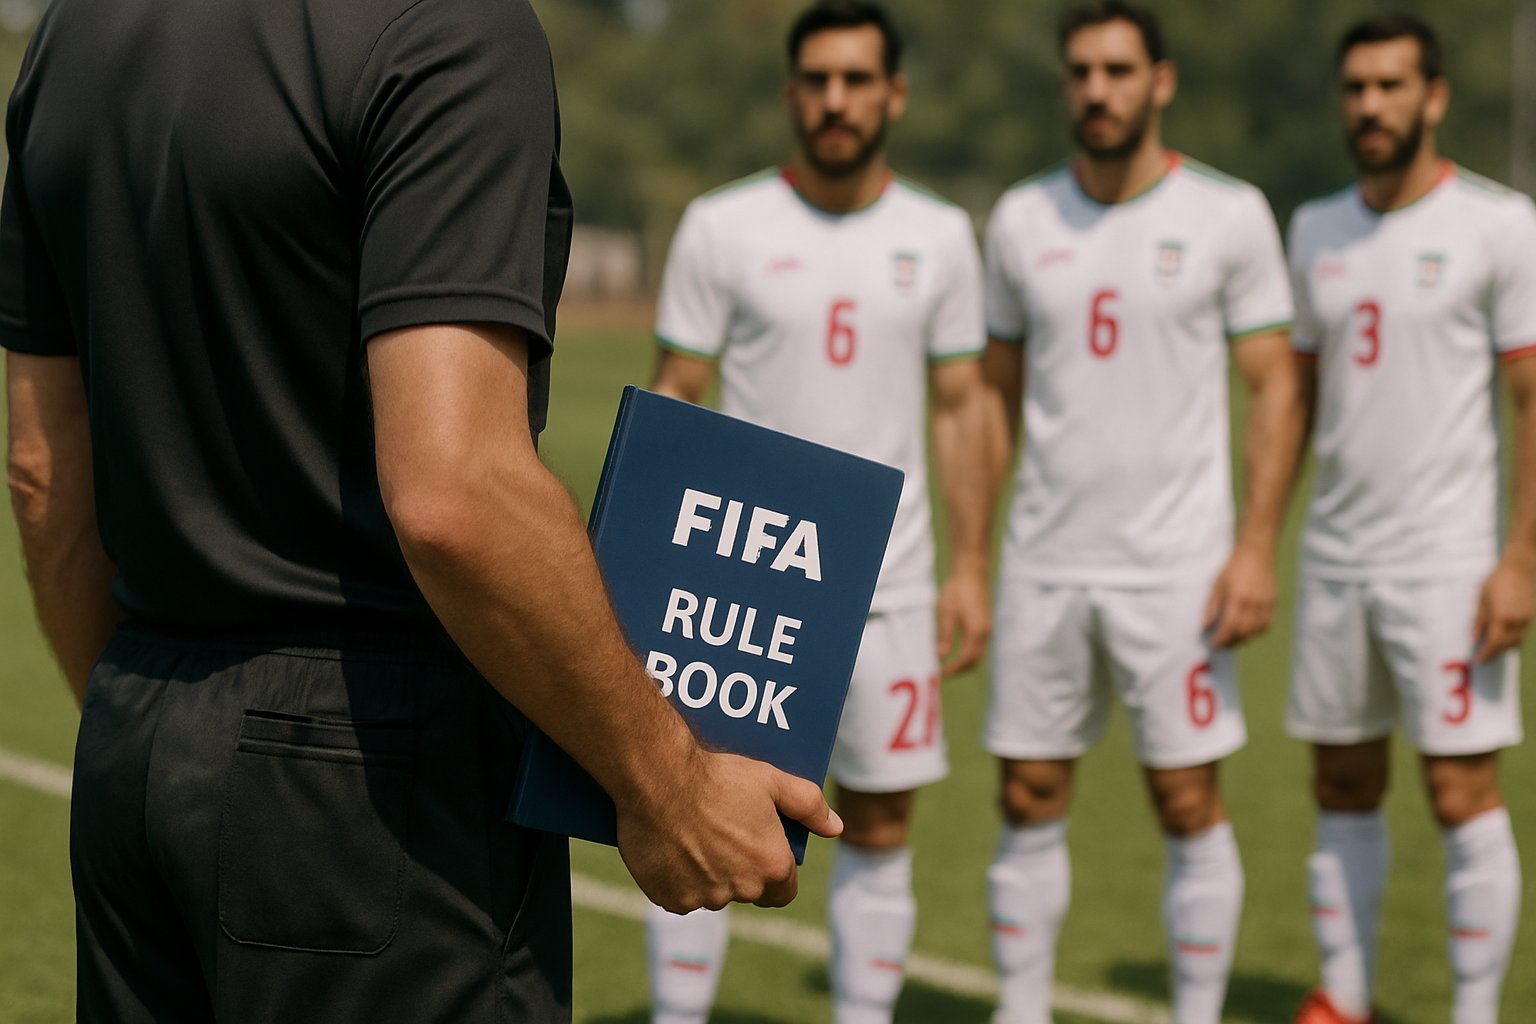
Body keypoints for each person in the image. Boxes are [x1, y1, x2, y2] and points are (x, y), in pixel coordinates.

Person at [0, 0, 840, 1019]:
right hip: (369, 774)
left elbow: (42, 467)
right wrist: (672, 786)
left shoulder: (71, 33)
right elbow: (454, 490)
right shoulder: (448, 25)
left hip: (135, 733)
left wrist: (163, 730)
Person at [642, 3, 999, 1022]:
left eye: (856, 80)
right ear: (793, 91)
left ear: (895, 94)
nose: (836, 100)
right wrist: (656, 569)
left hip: (891, 587)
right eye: (818, 80)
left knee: (882, 821)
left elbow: (964, 406)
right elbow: (677, 391)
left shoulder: (939, 235)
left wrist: (970, 564)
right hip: (749, 592)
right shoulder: (724, 224)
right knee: (709, 808)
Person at [979, 3, 1307, 1022]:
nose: (1098, 89)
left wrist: (1255, 549)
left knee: (1187, 799)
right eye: (1081, 70)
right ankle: (1021, 1007)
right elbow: (992, 394)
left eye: (1119, 70)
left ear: (1161, 81)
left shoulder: (1229, 214)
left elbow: (1277, 386)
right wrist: (969, 559)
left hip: (1178, 566)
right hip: (1045, 560)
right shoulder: (1021, 219)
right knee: (1028, 790)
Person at [1285, 14, 1535, 1024]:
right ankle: (1344, 1000)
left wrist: (1521, 558)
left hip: (1449, 558)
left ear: (1433, 97)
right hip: (1337, 556)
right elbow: (1294, 406)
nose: (1371, 107)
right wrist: (1259, 540)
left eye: (1391, 88)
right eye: (1356, 89)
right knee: (1342, 781)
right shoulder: (1314, 228)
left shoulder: (1499, 223)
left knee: (1460, 789)